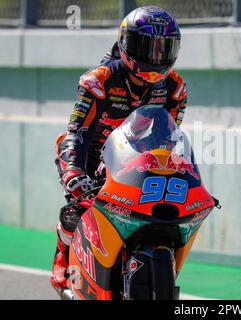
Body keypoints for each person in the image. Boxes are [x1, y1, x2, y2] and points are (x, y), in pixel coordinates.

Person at [50, 6, 188, 292]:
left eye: (163, 49)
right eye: (146, 47)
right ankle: (63, 263)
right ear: (126, 44)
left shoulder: (175, 89)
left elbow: (171, 140)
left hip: (136, 161)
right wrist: (74, 172)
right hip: (91, 157)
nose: (155, 57)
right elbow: (76, 133)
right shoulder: (98, 81)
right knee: (77, 211)